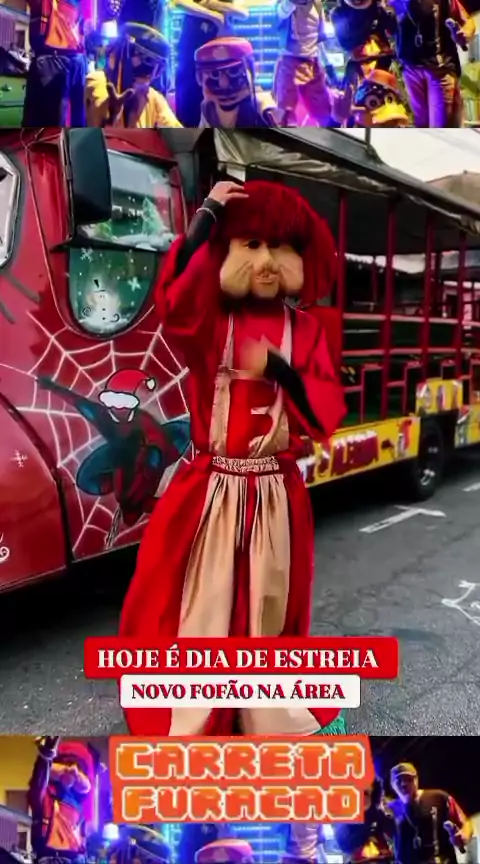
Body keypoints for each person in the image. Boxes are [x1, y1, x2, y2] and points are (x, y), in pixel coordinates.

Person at [119, 179, 346, 737]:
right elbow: (173, 300)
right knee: (204, 599)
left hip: (275, 490)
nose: (266, 261)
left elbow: (325, 412)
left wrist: (282, 371)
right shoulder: (212, 321)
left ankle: (260, 704)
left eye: (279, 246)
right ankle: (197, 707)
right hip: (212, 488)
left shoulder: (308, 329)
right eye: (252, 244)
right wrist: (208, 215)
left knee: (268, 602)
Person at [390, 0, 476, 126]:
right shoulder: (395, 3)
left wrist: (465, 34)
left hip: (439, 70)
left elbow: (467, 21)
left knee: (439, 127)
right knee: (421, 126)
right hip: (410, 71)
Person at [85, 22, 181, 127]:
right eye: (147, 61)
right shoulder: (97, 81)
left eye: (158, 68)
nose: (151, 73)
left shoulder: (152, 97)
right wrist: (112, 117)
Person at [174, 0, 249, 126]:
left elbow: (243, 13)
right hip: (192, 51)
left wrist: (211, 4)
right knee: (190, 109)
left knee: (222, 106)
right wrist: (215, 16)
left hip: (221, 56)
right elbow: (179, 2)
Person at [28, 737, 99, 864]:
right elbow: (38, 782)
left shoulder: (80, 805)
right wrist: (46, 757)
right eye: (68, 763)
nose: (73, 770)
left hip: (76, 858)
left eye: (79, 767)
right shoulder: (46, 796)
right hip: (51, 858)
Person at [387, 762, 472, 864]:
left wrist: (464, 836)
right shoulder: (389, 810)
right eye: (398, 781)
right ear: (392, 785)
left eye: (409, 779)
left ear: (416, 780)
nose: (404, 784)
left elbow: (465, 822)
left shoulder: (439, 797)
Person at [23, 0, 87, 126]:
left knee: (44, 122)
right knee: (76, 120)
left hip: (53, 61)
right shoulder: (78, 5)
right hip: (77, 60)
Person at [195, 37, 282, 126]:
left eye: (234, 71)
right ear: (199, 78)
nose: (224, 84)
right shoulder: (208, 109)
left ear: (252, 71)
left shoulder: (261, 108)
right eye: (215, 74)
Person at [273, 0, 333, 125]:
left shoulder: (317, 5)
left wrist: (328, 66)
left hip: (312, 62)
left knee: (323, 112)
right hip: (290, 63)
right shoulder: (286, 5)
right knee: (286, 114)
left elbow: (320, 40)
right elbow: (282, 11)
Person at [335, 778, 395, 863]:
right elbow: (345, 846)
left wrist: (392, 815)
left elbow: (395, 834)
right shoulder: (344, 820)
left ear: (373, 796)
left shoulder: (380, 815)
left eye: (365, 793)